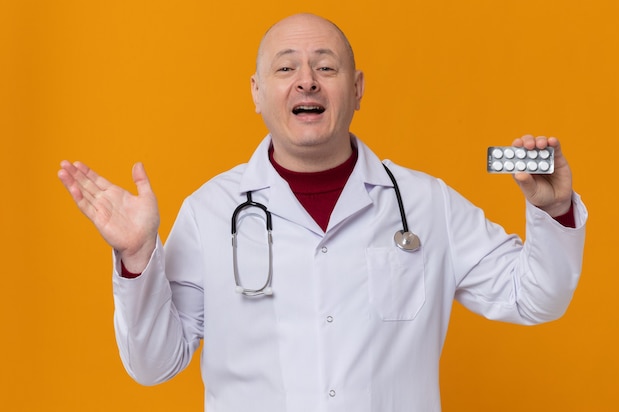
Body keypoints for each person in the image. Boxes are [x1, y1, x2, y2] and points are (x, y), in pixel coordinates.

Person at [58, 13, 587, 412]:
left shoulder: (427, 204)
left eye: (326, 67)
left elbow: (534, 297)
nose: (306, 80)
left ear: (356, 90)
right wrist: (136, 257)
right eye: (285, 67)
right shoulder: (210, 212)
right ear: (258, 93)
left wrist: (555, 210)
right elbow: (154, 365)